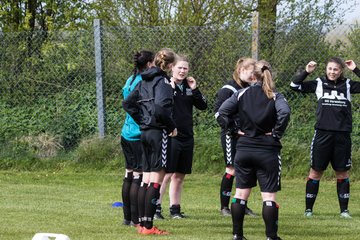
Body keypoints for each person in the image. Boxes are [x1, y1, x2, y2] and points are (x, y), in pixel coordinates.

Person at [217, 60, 290, 240]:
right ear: (269, 75)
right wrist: (276, 133)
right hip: (267, 150)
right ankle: (271, 236)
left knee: (241, 193)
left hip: (244, 149)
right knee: (269, 197)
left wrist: (233, 130)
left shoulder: (241, 93)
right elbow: (285, 113)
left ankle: (237, 235)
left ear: (252, 76)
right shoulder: (275, 96)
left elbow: (221, 113)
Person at [290, 58, 360, 218]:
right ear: (326, 69)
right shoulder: (319, 83)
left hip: (342, 135)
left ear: (341, 70)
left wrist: (355, 69)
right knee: (315, 172)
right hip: (322, 135)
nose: (332, 72)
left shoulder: (348, 84)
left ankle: (344, 211)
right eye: (330, 69)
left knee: (342, 173)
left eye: (335, 69)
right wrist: (307, 71)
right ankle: (308, 210)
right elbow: (294, 86)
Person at [123, 48, 177, 235]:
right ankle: (148, 226)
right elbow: (161, 108)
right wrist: (171, 127)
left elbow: (128, 103)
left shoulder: (143, 80)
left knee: (146, 179)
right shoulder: (162, 82)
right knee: (156, 180)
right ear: (170, 66)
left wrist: (142, 121)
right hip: (157, 133)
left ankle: (142, 223)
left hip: (144, 133)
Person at [154, 55, 208, 220]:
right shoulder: (165, 85)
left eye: (185, 68)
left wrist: (195, 89)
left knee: (180, 175)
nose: (183, 71)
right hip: (171, 134)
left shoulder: (188, 87)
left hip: (187, 135)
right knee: (167, 174)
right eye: (180, 68)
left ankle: (175, 209)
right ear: (172, 68)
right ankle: (155, 208)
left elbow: (203, 106)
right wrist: (170, 89)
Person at [214, 57, 257, 217]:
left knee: (246, 169)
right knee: (231, 169)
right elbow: (218, 114)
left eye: (255, 73)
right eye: (251, 73)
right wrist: (234, 129)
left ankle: (241, 204)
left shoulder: (250, 88)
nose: (253, 76)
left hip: (247, 135)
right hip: (231, 135)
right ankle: (224, 207)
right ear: (241, 70)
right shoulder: (228, 89)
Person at [120, 50, 154, 227]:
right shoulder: (144, 81)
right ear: (149, 64)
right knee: (139, 176)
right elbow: (131, 106)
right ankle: (135, 218)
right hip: (137, 134)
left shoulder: (130, 79)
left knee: (129, 173)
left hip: (126, 133)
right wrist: (144, 122)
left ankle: (128, 218)